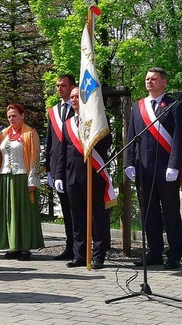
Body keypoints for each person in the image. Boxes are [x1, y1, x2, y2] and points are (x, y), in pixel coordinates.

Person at [124, 67, 182, 270]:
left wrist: (175, 166)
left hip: (167, 170)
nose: (149, 82)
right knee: (149, 213)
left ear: (164, 82)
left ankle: (175, 253)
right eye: (147, 79)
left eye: (154, 79)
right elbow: (131, 137)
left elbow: (179, 139)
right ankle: (155, 252)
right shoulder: (137, 107)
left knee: (171, 213)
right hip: (144, 170)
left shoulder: (175, 106)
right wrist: (129, 163)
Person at [55, 87, 112, 269]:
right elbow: (63, 151)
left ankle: (98, 255)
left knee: (96, 216)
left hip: (92, 174)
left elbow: (106, 143)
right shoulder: (68, 123)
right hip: (72, 177)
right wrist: (59, 175)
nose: (73, 100)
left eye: (77, 97)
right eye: (71, 97)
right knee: (77, 218)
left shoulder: (97, 121)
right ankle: (80, 255)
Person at [0, 103, 44, 260]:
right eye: (9, 116)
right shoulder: (3, 134)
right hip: (6, 178)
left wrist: (32, 181)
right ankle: (13, 246)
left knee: (23, 212)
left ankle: (25, 247)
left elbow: (35, 158)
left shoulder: (30, 134)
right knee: (9, 212)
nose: (11, 119)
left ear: (23, 116)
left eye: (14, 116)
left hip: (23, 177)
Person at [44, 74, 77, 260]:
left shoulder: (79, 107)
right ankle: (70, 246)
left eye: (63, 85)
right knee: (65, 208)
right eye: (57, 85)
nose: (59, 89)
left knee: (77, 209)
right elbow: (50, 142)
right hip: (58, 167)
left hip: (75, 166)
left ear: (72, 86)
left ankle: (82, 247)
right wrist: (48, 168)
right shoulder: (54, 111)